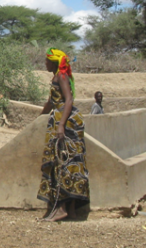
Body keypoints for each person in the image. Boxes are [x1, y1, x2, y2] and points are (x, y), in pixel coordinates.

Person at [38, 48, 89, 222]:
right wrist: (39, 117)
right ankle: (72, 211)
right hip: (62, 119)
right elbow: (51, 102)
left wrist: (60, 125)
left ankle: (61, 209)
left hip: (66, 123)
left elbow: (68, 100)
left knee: (62, 163)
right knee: (70, 163)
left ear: (54, 62)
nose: (45, 63)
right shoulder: (56, 77)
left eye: (47, 60)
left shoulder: (61, 76)